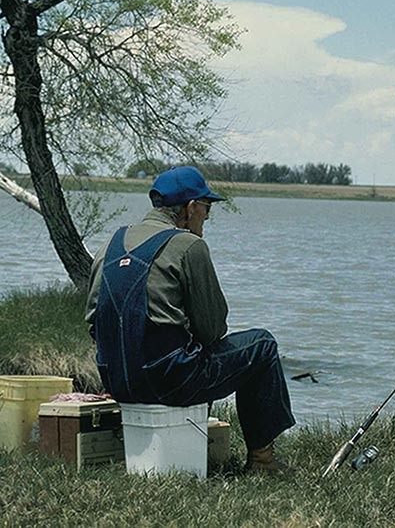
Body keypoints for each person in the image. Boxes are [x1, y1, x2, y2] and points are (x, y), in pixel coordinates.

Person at [85, 166, 295, 472]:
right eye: (206, 210)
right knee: (261, 344)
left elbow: (93, 320)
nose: (206, 219)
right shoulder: (188, 245)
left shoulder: (110, 244)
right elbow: (213, 330)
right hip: (169, 381)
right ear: (191, 207)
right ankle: (263, 459)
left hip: (117, 382)